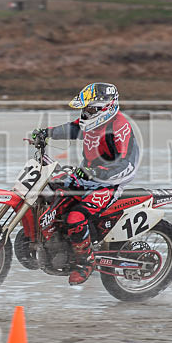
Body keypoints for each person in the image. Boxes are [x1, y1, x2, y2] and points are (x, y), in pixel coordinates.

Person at [31, 82, 139, 285]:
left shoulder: (119, 127)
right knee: (52, 193)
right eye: (85, 109)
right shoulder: (91, 122)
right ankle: (55, 242)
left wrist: (98, 172)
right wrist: (47, 133)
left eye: (90, 109)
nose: (85, 113)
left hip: (110, 183)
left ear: (104, 108)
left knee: (75, 217)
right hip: (87, 175)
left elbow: (124, 163)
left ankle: (86, 262)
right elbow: (73, 129)